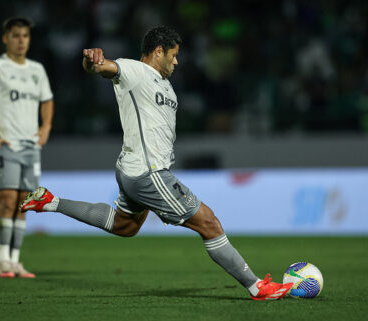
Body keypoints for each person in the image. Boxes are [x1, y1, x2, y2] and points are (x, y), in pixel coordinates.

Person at [20, 26, 291, 300]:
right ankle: (258, 287)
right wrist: (92, 61)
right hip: (148, 172)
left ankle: (50, 201)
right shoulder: (135, 71)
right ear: (158, 52)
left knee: (124, 226)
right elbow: (102, 68)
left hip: (133, 168)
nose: (177, 61)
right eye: (173, 55)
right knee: (209, 223)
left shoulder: (166, 86)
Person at [0, 17, 54, 278]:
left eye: (25, 36)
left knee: (23, 204)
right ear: (5, 38)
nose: (21, 41)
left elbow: (47, 100)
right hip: (5, 145)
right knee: (7, 200)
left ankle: (15, 261)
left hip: (30, 146)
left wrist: (46, 126)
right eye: (15, 35)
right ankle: (3, 260)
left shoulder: (37, 70)